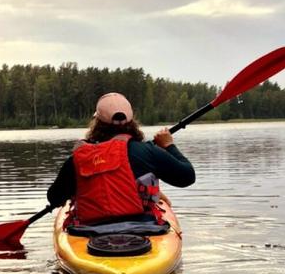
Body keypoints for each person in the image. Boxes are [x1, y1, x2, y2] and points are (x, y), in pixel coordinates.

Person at [47, 92, 195, 226]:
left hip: (90, 232)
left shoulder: (80, 157)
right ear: (132, 122)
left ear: (97, 123)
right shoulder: (148, 152)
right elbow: (187, 177)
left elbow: (54, 198)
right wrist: (169, 145)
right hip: (143, 228)